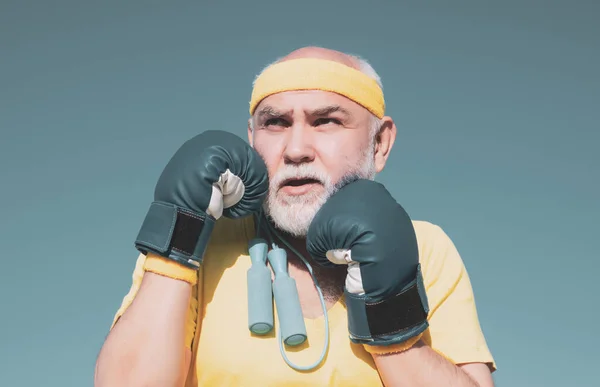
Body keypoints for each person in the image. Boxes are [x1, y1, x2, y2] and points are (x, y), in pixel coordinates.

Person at [94, 46, 497, 387]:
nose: (296, 149)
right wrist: (177, 242)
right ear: (251, 138)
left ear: (379, 143)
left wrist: (391, 318)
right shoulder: (198, 238)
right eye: (276, 123)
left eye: (326, 121)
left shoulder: (426, 248)